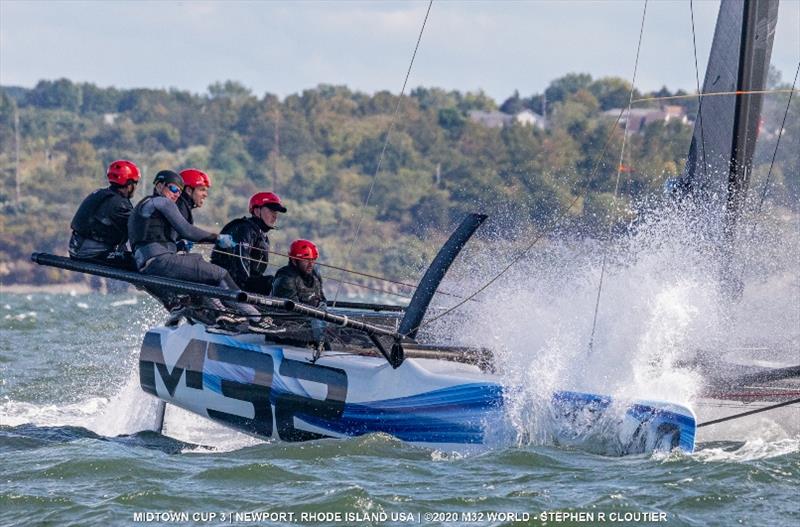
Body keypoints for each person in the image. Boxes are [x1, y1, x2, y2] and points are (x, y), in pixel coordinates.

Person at [127, 170, 265, 326]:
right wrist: (217, 238)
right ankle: (257, 318)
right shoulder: (161, 202)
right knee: (220, 274)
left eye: (179, 192)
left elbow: (150, 238)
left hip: (147, 266)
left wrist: (179, 244)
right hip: (160, 262)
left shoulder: (140, 208)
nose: (176, 195)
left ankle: (216, 319)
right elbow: (187, 230)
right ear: (159, 186)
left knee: (201, 277)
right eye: (173, 189)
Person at [210, 192, 287, 294]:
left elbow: (255, 274)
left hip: (242, 282)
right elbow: (241, 260)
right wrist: (244, 293)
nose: (275, 216)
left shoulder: (262, 236)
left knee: (277, 282)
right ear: (256, 211)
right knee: (270, 282)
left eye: (276, 212)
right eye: (271, 210)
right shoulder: (245, 228)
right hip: (227, 282)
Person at [69, 159, 140, 268]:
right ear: (129, 185)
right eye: (135, 183)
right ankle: (147, 285)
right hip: (88, 253)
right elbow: (136, 226)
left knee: (128, 256)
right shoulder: (118, 204)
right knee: (137, 261)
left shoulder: (102, 194)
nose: (135, 187)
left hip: (77, 247)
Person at [271, 239, 326, 307]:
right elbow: (292, 312)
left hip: (313, 315)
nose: (311, 264)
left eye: (313, 260)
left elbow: (323, 300)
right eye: (306, 260)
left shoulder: (315, 274)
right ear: (294, 261)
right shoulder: (286, 279)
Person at [174, 168, 211, 253]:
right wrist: (216, 239)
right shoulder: (180, 208)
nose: (205, 195)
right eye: (202, 190)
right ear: (189, 190)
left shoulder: (183, 206)